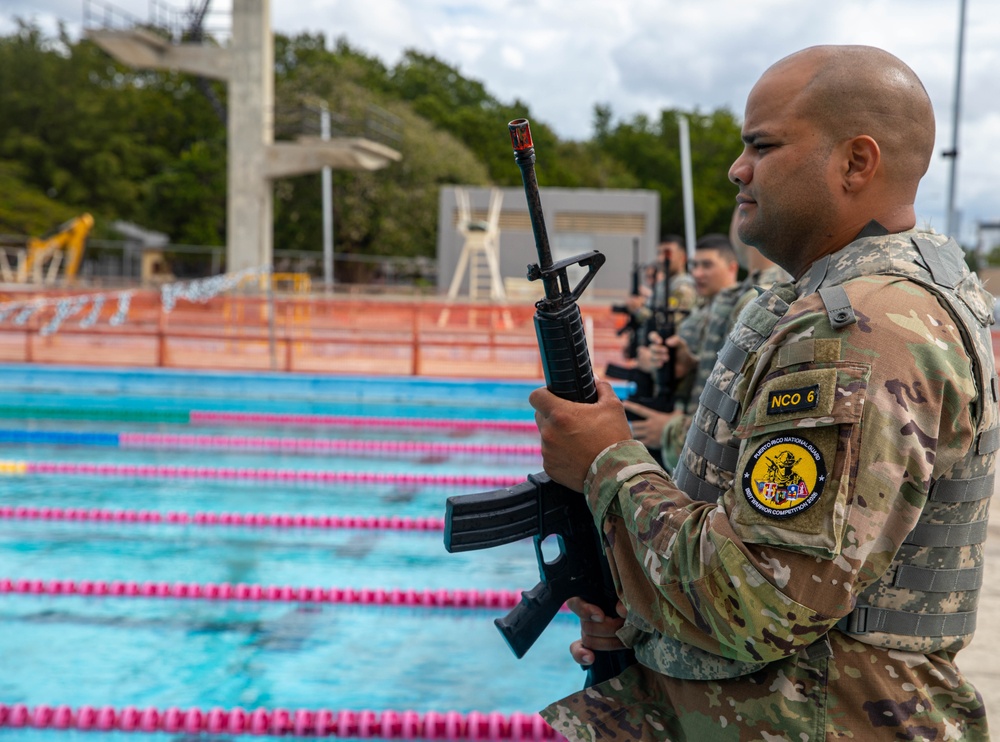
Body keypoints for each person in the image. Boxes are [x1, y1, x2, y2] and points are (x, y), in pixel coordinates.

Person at [530, 44, 998, 740]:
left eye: (763, 145)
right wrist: (648, 616)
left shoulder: (862, 328)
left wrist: (606, 460)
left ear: (855, 163)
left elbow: (756, 598)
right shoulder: (843, 298)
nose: (736, 168)